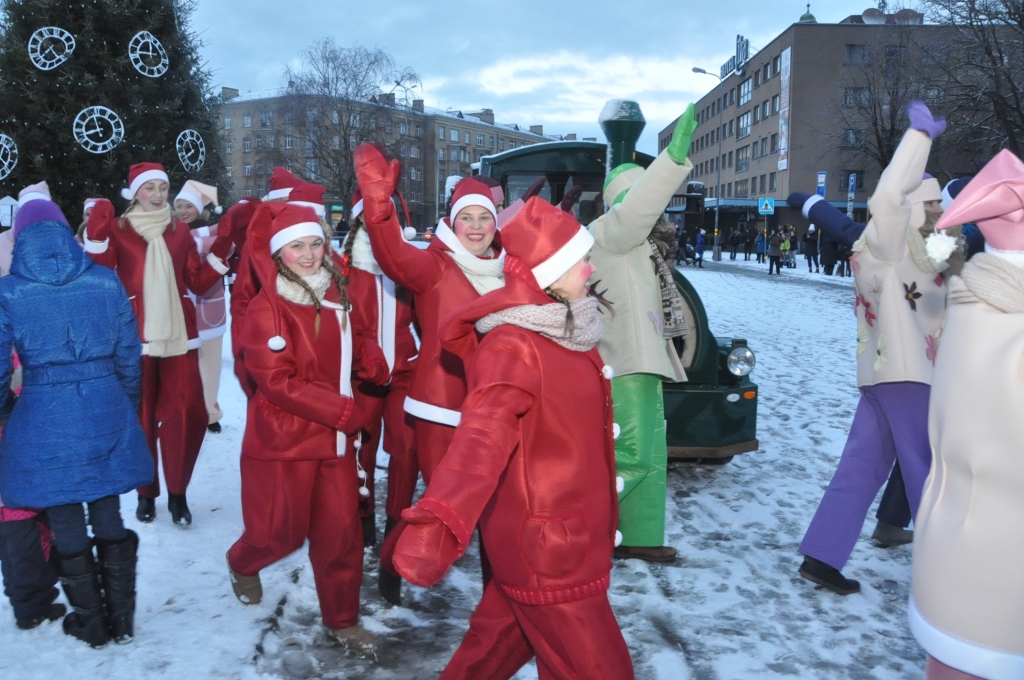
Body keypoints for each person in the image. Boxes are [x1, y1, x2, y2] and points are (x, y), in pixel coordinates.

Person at [383, 197, 634, 679]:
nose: (591, 267)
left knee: (486, 657)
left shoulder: (564, 326)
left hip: (555, 543)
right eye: (581, 259)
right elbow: (480, 439)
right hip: (550, 551)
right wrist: (441, 520)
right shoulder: (515, 344)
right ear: (548, 271)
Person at [788, 101, 956, 594]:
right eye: (933, 206)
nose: (940, 214)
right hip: (909, 376)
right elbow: (887, 198)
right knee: (929, 473)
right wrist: (918, 139)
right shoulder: (889, 242)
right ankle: (954, 576)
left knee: (860, 468)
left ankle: (822, 555)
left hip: (887, 375)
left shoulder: (925, 251)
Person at [226, 203, 381, 653]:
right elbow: (276, 382)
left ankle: (343, 619)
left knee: (341, 535)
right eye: (298, 246)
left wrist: (368, 355)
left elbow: (361, 331)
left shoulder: (338, 291)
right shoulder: (266, 309)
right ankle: (242, 561)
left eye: (316, 243)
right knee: (278, 533)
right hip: (286, 439)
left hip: (334, 440)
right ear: (278, 253)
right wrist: (340, 410)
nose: (310, 254)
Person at [0, 198, 152, 647]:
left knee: (64, 509)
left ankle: (92, 623)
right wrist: (123, 404)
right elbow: (129, 354)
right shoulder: (106, 281)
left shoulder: (8, 292)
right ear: (67, 232)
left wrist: (8, 410)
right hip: (106, 402)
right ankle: (121, 620)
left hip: (42, 413)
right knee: (107, 507)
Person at [910, 149, 1024, 680]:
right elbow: (938, 263)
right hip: (1000, 582)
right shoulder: (931, 241)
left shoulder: (973, 302)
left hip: (953, 563)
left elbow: (949, 273)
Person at [84, 162, 234, 526]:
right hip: (135, 338)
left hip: (180, 336)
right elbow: (101, 275)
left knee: (185, 412)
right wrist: (96, 232)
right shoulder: (120, 230)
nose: (157, 195)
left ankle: (178, 493)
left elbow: (196, 282)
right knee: (142, 418)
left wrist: (224, 247)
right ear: (135, 193)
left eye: (162, 188)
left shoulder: (180, 231)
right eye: (148, 188)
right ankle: (146, 493)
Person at [353, 145, 505, 485]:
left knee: (490, 513)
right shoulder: (435, 267)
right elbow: (393, 255)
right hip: (442, 409)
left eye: (484, 218)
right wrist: (378, 204)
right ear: (452, 222)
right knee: (443, 511)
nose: (476, 227)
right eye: (466, 218)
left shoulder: (510, 269)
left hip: (495, 408)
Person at [589, 104, 696, 562]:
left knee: (652, 458)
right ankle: (584, 528)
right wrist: (671, 161)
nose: (652, 210)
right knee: (629, 456)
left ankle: (641, 537)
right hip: (625, 363)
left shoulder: (646, 245)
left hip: (646, 363)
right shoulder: (612, 231)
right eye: (639, 199)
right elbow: (637, 210)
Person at [340, 189, 419, 605]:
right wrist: (360, 348)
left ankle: (396, 537)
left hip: (406, 370)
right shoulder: (344, 269)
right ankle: (363, 519)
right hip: (362, 374)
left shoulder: (406, 264)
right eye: (370, 221)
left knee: (407, 448)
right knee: (361, 447)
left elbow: (431, 315)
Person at [229, 167, 300, 398]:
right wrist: (242, 345)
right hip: (270, 333)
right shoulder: (258, 240)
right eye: (281, 203)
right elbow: (243, 295)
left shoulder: (311, 240)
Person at [174, 180, 228, 434]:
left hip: (210, 308)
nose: (183, 211)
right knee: (182, 368)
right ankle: (184, 412)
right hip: (179, 309)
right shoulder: (169, 232)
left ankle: (210, 413)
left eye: (188, 206)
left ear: (199, 209)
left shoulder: (214, 233)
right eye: (179, 206)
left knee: (210, 365)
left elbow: (226, 249)